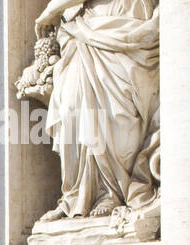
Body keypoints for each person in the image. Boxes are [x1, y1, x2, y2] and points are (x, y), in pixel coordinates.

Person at [34, 0, 159, 221]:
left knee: (114, 113)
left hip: (124, 17)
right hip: (84, 26)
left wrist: (52, 10)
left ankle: (111, 192)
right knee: (71, 107)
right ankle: (74, 195)